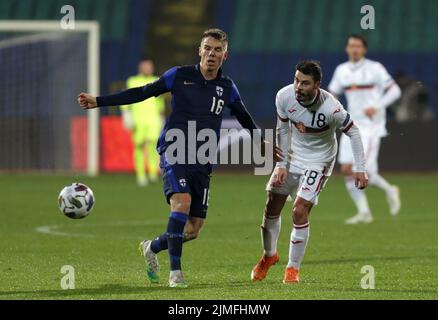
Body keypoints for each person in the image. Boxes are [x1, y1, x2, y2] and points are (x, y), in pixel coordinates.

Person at [78, 28, 277, 288]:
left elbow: (242, 114)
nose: (211, 54)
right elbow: (142, 92)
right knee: (181, 202)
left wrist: (260, 139)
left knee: (193, 229)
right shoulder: (179, 75)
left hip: (203, 159)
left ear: (224, 56)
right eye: (207, 48)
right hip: (174, 150)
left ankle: (152, 247)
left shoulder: (227, 87)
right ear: (200, 50)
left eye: (217, 50)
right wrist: (99, 101)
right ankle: (175, 273)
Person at [251, 61, 368, 284]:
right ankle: (269, 256)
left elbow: (354, 132)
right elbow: (283, 129)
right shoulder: (284, 97)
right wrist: (281, 164)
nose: (298, 87)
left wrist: (360, 169)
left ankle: (292, 269)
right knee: (272, 205)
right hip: (293, 157)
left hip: (319, 161)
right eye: (296, 80)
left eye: (305, 83)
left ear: (317, 85)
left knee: (299, 210)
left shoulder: (332, 108)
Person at [328, 34, 402, 224]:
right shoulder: (341, 70)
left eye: (358, 46)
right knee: (346, 168)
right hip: (351, 124)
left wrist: (377, 106)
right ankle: (364, 212)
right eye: (351, 45)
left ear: (364, 49)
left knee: (364, 169)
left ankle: (389, 190)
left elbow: (395, 91)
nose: (354, 49)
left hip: (371, 126)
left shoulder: (374, 68)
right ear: (346, 49)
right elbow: (332, 95)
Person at [120, 57, 165, 186]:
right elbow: (126, 98)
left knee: (152, 146)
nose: (148, 68)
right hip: (138, 119)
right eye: (145, 66)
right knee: (139, 146)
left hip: (153, 119)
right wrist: (126, 114)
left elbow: (159, 101)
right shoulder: (132, 81)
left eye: (149, 66)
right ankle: (140, 175)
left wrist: (162, 117)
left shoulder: (157, 81)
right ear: (140, 67)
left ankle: (152, 173)